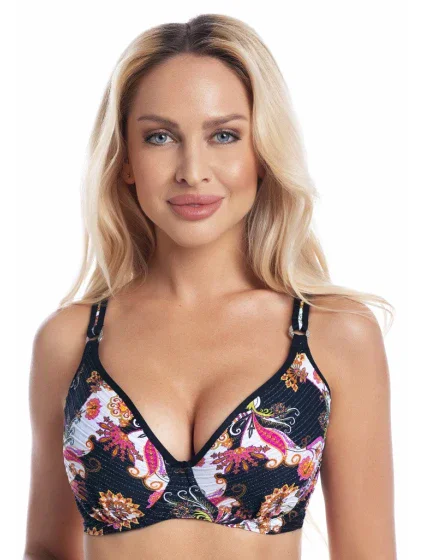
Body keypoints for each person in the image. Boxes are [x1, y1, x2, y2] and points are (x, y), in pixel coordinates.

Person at [23, 13, 397, 560]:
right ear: (126, 161)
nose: (192, 171)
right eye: (160, 137)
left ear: (261, 153)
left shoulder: (335, 335)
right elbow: (45, 550)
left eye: (224, 135)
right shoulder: (71, 341)